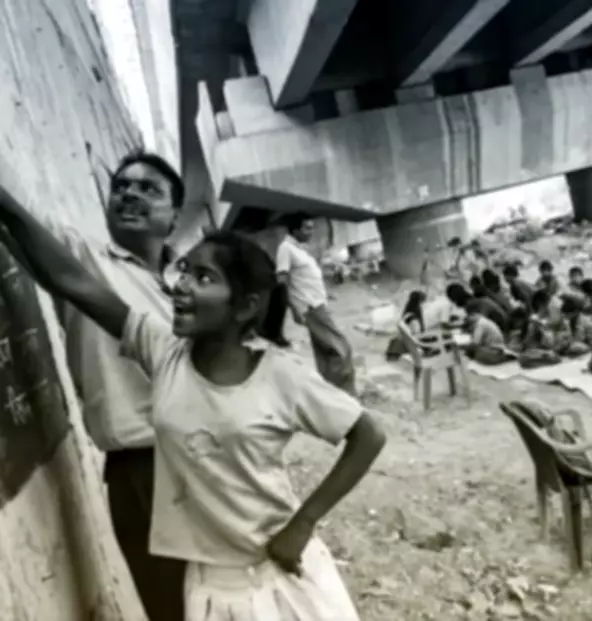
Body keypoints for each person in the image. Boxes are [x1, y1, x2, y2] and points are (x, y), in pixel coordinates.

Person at [0, 207, 386, 619]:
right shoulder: (163, 352)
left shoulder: (279, 376)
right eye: (184, 271)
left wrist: (303, 523)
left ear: (244, 306)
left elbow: (368, 435)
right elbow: (72, 282)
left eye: (204, 278)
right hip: (211, 586)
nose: (182, 285)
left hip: (276, 573)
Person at [0, 150, 186, 620]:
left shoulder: (193, 280)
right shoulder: (82, 256)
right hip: (141, 472)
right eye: (121, 186)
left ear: (174, 214)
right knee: (173, 608)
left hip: (211, 459)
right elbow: (31, 238)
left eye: (148, 189)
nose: (129, 194)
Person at [276, 214, 356, 394]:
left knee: (325, 353)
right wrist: (294, 308)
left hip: (318, 304)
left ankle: (330, 394)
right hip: (311, 307)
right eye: (306, 228)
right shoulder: (286, 249)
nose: (311, 232)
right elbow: (282, 281)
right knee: (341, 349)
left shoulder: (299, 249)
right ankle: (348, 395)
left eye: (312, 228)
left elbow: (305, 277)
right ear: (295, 230)